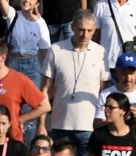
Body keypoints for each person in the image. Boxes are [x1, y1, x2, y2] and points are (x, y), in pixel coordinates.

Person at [40, 9, 109, 156]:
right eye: (81, 30)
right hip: (61, 124)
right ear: (72, 27)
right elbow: (44, 90)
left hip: (89, 126)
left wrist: (102, 122)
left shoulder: (101, 52)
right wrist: (41, 124)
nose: (85, 35)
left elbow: (104, 91)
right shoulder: (56, 50)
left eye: (89, 30)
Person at [0, 38, 50, 143]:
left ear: (2, 57)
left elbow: (44, 106)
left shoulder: (20, 80)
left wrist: (19, 120)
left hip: (11, 143)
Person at [94, 53, 136, 131]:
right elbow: (97, 125)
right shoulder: (106, 94)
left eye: (131, 73)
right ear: (116, 71)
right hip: (115, 142)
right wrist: (117, 118)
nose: (128, 78)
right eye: (124, 74)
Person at [86, 91, 136, 156]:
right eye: (105, 107)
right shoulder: (98, 134)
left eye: (111, 107)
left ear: (123, 111)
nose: (106, 111)